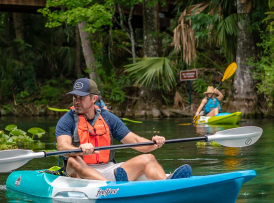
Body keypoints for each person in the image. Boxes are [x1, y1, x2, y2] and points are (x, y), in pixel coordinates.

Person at [55, 78, 191, 182]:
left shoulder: (108, 118)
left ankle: (166, 185)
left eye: (81, 97)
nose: (76, 101)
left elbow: (136, 141)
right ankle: (109, 186)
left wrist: (154, 143)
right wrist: (79, 148)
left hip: (107, 167)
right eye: (75, 97)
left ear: (94, 99)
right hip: (78, 171)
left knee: (149, 158)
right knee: (73, 160)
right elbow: (62, 146)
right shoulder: (67, 120)